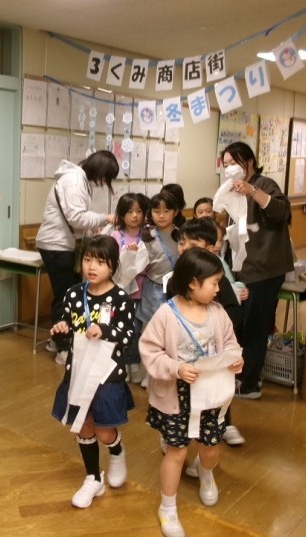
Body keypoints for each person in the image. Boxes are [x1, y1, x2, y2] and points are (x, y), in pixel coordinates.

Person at [139, 248, 243, 537]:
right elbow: (149, 350)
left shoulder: (218, 313)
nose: (218, 288)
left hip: (209, 396)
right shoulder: (166, 314)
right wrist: (175, 368)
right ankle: (168, 508)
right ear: (193, 283)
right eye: (214, 282)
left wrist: (235, 359)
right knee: (176, 451)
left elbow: (231, 345)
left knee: (210, 450)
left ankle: (205, 473)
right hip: (177, 397)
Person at [50, 236, 135, 509]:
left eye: (100, 261)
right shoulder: (74, 293)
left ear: (112, 266)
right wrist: (61, 328)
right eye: (87, 259)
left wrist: (106, 330)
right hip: (78, 371)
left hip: (107, 375)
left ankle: (116, 450)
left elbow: (128, 334)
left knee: (105, 431)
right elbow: (67, 326)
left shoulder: (121, 298)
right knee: (83, 425)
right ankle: (92, 478)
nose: (92, 266)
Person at [220, 142, 294, 399]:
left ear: (249, 162)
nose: (229, 168)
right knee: (238, 323)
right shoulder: (231, 189)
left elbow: (281, 211)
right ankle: (241, 374)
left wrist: (253, 191)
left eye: (234, 163)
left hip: (265, 269)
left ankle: (250, 383)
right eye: (226, 164)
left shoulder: (264, 184)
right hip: (241, 270)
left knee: (256, 324)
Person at [36, 150, 117, 365]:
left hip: (61, 244)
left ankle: (57, 340)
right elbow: (77, 217)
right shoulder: (74, 181)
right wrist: (106, 217)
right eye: (105, 177)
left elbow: (76, 220)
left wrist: (91, 230)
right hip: (57, 246)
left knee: (66, 295)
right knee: (66, 297)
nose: (103, 183)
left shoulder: (77, 179)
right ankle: (63, 347)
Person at [176, 218, 246, 448]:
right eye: (182, 242)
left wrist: (223, 342)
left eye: (192, 243)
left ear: (209, 248)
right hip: (184, 350)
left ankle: (224, 422)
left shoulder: (216, 278)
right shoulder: (177, 275)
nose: (184, 248)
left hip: (212, 347)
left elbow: (232, 311)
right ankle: (178, 432)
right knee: (185, 391)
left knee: (216, 385)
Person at [107, 192, 150, 383]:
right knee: (124, 327)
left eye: (139, 211)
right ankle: (124, 363)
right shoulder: (116, 236)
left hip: (144, 290)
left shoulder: (148, 235)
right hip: (122, 292)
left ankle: (135, 363)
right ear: (122, 215)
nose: (135, 216)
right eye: (130, 212)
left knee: (139, 329)